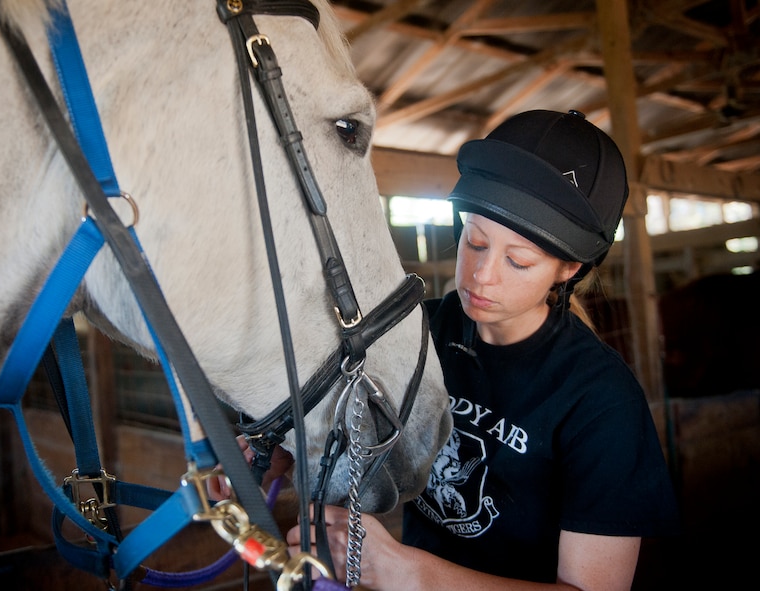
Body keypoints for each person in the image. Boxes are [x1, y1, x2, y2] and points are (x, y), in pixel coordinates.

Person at [286, 109, 681, 590]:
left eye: (517, 261)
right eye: (474, 241)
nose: (481, 275)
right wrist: (264, 454)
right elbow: (332, 410)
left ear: (568, 270)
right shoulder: (417, 332)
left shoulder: (603, 403)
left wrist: (402, 570)